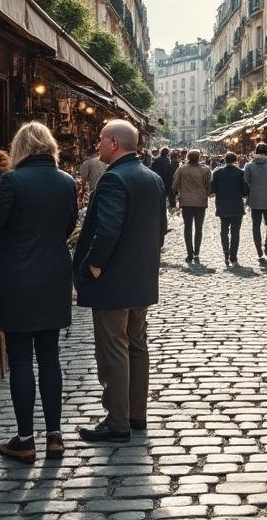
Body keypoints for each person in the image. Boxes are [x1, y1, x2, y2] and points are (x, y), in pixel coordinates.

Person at [0, 122, 77, 461]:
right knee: (50, 355)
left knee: (22, 357)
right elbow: (68, 226)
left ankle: (25, 440)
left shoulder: (12, 181)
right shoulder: (66, 182)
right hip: (54, 275)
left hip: (17, 277)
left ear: (20, 148)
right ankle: (55, 436)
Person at [73, 119, 167, 442]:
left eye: (101, 139)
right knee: (137, 345)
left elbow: (108, 229)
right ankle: (136, 414)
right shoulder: (152, 178)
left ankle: (117, 421)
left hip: (113, 280)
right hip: (141, 279)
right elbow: (161, 229)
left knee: (114, 348)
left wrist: (94, 264)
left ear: (114, 143)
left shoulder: (114, 179)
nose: (97, 145)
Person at [172, 149, 212, 263]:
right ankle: (197, 252)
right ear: (199, 157)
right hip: (200, 202)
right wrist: (207, 193)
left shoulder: (182, 169)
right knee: (199, 228)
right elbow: (209, 185)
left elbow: (174, 185)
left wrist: (175, 194)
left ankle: (189, 253)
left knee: (188, 228)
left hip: (186, 202)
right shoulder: (205, 169)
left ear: (188, 157)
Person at [211, 151, 246, 266]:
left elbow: (213, 189)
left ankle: (226, 253)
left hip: (222, 204)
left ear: (225, 160)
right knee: (235, 233)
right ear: (235, 160)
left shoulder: (218, 172)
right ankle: (233, 256)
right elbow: (245, 191)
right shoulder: (241, 172)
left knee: (224, 231)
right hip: (236, 205)